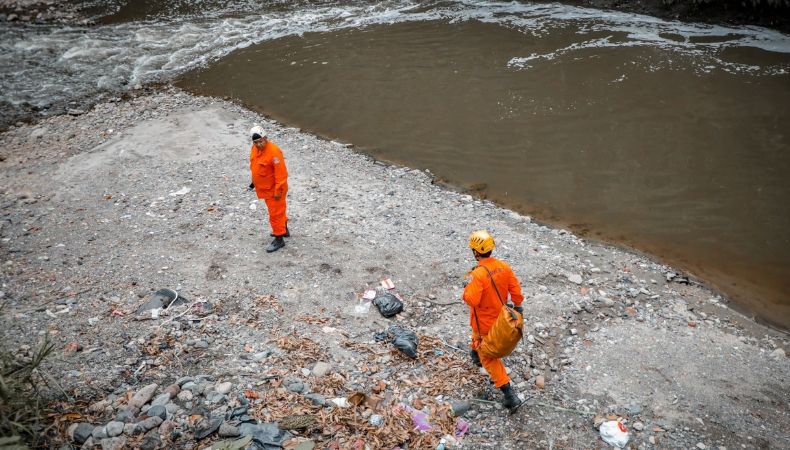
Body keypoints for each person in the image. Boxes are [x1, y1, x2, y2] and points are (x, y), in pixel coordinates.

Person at [462, 229, 525, 410]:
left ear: (475, 252)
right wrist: (518, 308)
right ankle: (474, 354)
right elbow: (516, 291)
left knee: (488, 356)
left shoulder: (478, 274)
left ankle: (509, 395)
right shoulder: (503, 266)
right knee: (476, 339)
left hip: (484, 322)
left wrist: (465, 291)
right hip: (501, 319)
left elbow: (472, 299)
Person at [248, 125, 289, 253]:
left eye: (261, 141)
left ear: (266, 138)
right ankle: (284, 230)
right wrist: (254, 182)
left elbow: (281, 175)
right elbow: (256, 166)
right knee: (278, 211)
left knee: (275, 214)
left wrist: (278, 191)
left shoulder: (274, 152)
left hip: (275, 190)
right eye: (256, 142)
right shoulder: (254, 149)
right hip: (265, 188)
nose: (259, 144)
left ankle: (279, 239)